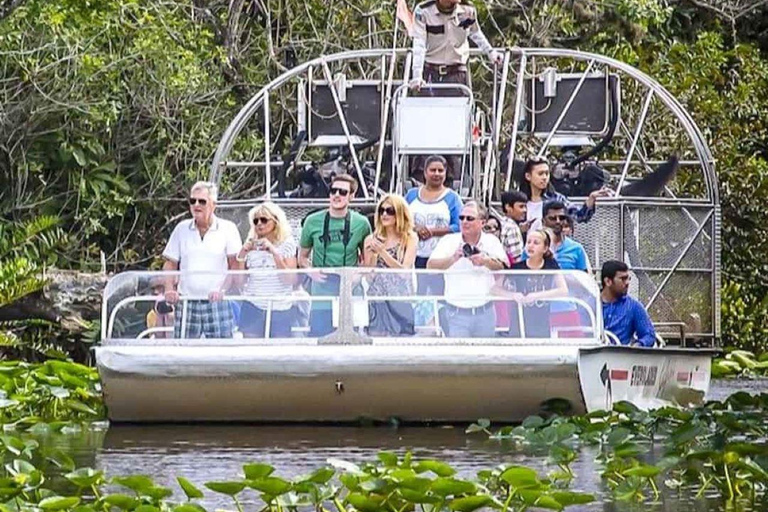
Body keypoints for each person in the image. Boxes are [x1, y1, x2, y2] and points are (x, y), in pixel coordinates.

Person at [162, 181, 242, 338]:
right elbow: (170, 263)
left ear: (213, 205)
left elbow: (234, 266)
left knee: (220, 353)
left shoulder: (228, 228)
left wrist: (222, 291)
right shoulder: (181, 229)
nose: (196, 205)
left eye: (202, 201)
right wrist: (169, 289)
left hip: (217, 302)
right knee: (183, 353)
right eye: (193, 201)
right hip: (187, 302)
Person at [299, 174, 372, 336]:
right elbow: (302, 257)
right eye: (333, 191)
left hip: (351, 291)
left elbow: (368, 261)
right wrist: (311, 271)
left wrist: (357, 276)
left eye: (343, 192)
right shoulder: (312, 221)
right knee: (320, 340)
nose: (337, 195)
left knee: (354, 342)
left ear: (351, 196)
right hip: (321, 292)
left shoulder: (362, 223)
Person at [427, 202, 507, 337]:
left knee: (485, 357)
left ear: (482, 222)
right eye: (461, 218)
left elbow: (503, 266)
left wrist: (485, 261)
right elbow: (430, 266)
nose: (464, 222)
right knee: (459, 357)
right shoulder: (448, 241)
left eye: (470, 218)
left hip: (485, 311)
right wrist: (453, 258)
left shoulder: (492, 241)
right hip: (456, 313)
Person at [409, 0, 502, 94]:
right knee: (427, 107)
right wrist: (417, 75)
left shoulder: (467, 9)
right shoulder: (424, 11)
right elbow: (419, 43)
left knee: (458, 106)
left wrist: (490, 52)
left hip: (457, 72)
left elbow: (475, 32)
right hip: (430, 71)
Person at [236, 202, 298, 338]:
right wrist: (242, 254)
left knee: (279, 352)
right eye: (255, 221)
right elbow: (240, 282)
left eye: (264, 220)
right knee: (252, 352)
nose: (259, 224)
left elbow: (290, 280)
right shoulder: (250, 244)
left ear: (275, 221)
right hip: (253, 305)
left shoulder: (287, 243)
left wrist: (274, 253)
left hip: (280, 306)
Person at [405, 155, 463, 299]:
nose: (436, 174)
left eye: (440, 170)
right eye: (433, 170)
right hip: (414, 257)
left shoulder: (453, 198)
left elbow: (459, 226)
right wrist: (416, 229)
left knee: (440, 299)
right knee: (417, 298)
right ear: (425, 172)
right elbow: (401, 220)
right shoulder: (411, 195)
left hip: (441, 258)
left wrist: (434, 232)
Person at [494, 229, 567, 338]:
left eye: (536, 243)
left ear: (545, 248)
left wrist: (536, 296)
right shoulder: (517, 268)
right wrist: (513, 295)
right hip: (519, 321)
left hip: (541, 322)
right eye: (528, 242)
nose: (531, 246)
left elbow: (563, 290)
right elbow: (495, 289)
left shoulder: (551, 265)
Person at [363, 194, 418, 336]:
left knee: (403, 342)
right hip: (377, 299)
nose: (385, 214)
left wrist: (382, 252)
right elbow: (369, 276)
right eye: (382, 210)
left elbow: (404, 273)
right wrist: (374, 254)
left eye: (390, 210)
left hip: (401, 298)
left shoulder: (409, 238)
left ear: (399, 213)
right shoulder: (371, 239)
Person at [518, 157, 609, 231]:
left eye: (547, 173)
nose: (544, 177)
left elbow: (579, 216)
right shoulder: (520, 201)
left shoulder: (557, 198)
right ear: (528, 176)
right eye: (540, 174)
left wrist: (591, 199)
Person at [601, 260, 656, 347]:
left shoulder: (634, 307)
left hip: (623, 357)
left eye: (628, 278)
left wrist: (637, 346)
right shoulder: (591, 305)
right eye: (622, 279)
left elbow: (649, 335)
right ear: (608, 281)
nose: (627, 283)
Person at [499, 190, 528, 264]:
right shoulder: (512, 227)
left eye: (525, 206)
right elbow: (517, 259)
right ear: (508, 207)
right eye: (521, 206)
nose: (525, 210)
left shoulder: (500, 222)